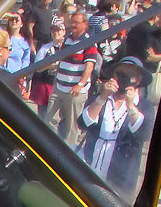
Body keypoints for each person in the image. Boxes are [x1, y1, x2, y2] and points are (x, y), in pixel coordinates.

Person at [77, 70, 144, 188]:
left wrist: (131, 106)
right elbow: (84, 123)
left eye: (130, 76)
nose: (125, 80)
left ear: (138, 80)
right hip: (91, 163)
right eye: (122, 75)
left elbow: (141, 133)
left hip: (119, 174)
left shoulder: (144, 105)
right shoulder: (101, 98)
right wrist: (103, 96)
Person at [46, 11, 98, 146]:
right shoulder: (68, 39)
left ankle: (68, 149)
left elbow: (89, 66)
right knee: (48, 118)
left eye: (76, 22)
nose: (73, 25)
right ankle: (50, 144)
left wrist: (80, 84)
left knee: (72, 124)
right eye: (72, 22)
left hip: (75, 90)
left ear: (85, 24)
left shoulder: (89, 42)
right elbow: (62, 60)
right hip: (59, 86)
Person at [31, 18, 66, 119]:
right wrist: (52, 65)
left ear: (64, 31)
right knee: (44, 116)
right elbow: (37, 67)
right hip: (46, 85)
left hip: (63, 86)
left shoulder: (69, 47)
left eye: (58, 30)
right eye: (53, 30)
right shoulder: (45, 48)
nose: (55, 33)